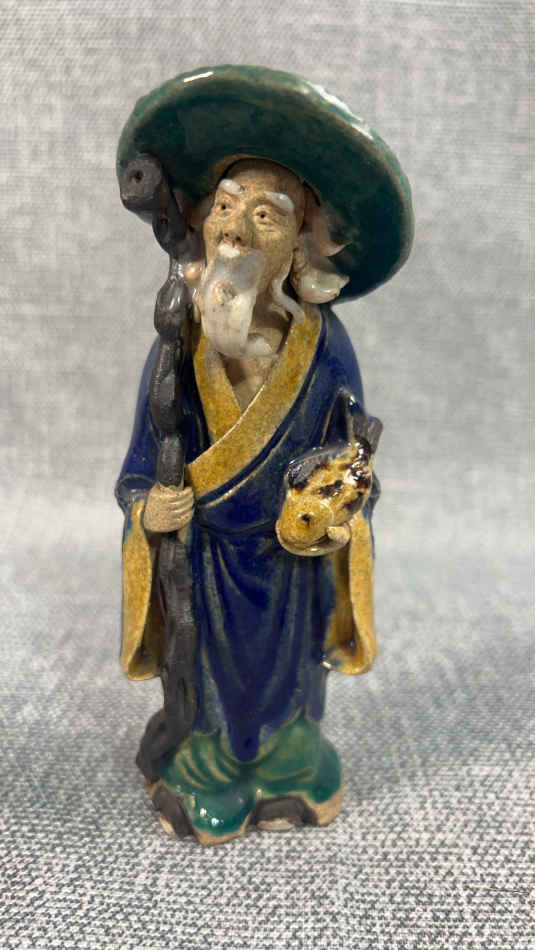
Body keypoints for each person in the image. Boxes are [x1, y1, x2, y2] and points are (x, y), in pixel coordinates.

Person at [115, 66, 413, 845]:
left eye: (266, 214)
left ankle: (287, 757)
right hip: (206, 560)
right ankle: (207, 759)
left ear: (307, 243)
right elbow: (140, 466)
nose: (235, 229)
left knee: (291, 684)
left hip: (292, 565)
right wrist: (149, 510)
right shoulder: (177, 347)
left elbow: (355, 453)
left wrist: (339, 511)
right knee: (208, 683)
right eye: (222, 207)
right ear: (197, 223)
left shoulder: (324, 348)